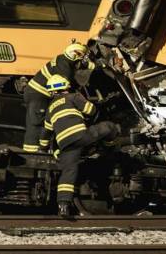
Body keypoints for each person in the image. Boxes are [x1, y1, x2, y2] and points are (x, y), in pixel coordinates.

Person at [41, 74, 119, 217]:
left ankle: (63, 206)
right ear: (65, 87)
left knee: (68, 173)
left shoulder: (49, 110)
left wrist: (44, 148)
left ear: (52, 91)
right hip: (82, 136)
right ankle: (108, 149)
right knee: (110, 127)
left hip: (66, 145)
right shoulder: (73, 96)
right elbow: (91, 110)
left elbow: (45, 134)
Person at [22, 42, 95, 152]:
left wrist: (95, 65)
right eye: (80, 56)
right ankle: (33, 152)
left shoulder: (63, 59)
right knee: (37, 122)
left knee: (41, 121)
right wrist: (78, 98)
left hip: (36, 93)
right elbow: (66, 86)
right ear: (76, 54)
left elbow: (80, 65)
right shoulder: (64, 67)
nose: (81, 59)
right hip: (38, 94)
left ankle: (40, 150)